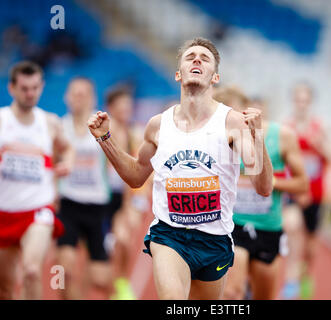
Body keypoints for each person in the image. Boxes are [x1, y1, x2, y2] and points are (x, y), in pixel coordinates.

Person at [87, 37, 273, 300]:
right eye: (190, 57)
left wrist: (258, 139)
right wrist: (105, 138)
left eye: (204, 58)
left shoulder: (232, 123)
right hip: (169, 235)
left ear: (215, 77)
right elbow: (135, 176)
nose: (197, 59)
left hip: (214, 238)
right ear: (178, 74)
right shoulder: (157, 125)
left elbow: (264, 188)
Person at [0, 61, 73, 299]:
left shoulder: (50, 122)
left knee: (32, 271)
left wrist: (67, 163)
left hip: (37, 210)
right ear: (12, 88)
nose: (30, 93)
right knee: (3, 291)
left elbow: (67, 149)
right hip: (1, 213)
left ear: (41, 87)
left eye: (34, 87)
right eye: (24, 88)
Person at [214, 86, 308, 300]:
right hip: (234, 225)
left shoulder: (282, 136)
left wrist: (268, 181)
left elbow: (302, 184)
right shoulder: (224, 137)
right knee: (232, 293)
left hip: (268, 227)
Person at [56, 77, 113, 299]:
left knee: (101, 279)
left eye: (83, 94)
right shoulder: (60, 127)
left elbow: (117, 165)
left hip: (97, 207)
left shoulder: (105, 127)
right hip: (68, 204)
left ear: (92, 98)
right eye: (74, 94)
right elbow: (51, 162)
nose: (78, 99)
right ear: (66, 97)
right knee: (63, 271)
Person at [281, 82, 331, 299]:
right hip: (294, 193)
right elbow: (280, 160)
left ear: (310, 102)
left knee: (311, 248)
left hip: (317, 195)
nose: (301, 104)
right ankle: (290, 284)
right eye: (298, 100)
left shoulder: (321, 127)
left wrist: (320, 145)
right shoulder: (286, 127)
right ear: (293, 101)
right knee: (292, 228)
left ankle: (306, 274)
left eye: (305, 100)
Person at [103, 86, 142, 300]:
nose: (127, 109)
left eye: (129, 105)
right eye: (122, 106)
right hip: (99, 198)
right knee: (100, 254)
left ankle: (121, 284)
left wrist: (129, 206)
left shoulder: (132, 133)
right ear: (111, 108)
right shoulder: (100, 132)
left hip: (120, 198)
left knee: (124, 241)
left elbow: (131, 172)